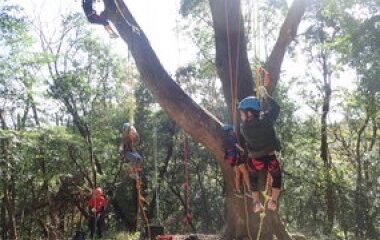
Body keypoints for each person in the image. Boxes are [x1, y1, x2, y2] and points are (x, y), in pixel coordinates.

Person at [238, 86, 282, 213]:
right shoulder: (267, 120)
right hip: (270, 157)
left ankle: (256, 202)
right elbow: (276, 108)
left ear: (249, 113)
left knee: (253, 178)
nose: (241, 116)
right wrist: (265, 95)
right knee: (277, 177)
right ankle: (273, 201)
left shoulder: (244, 128)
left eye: (242, 113)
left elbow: (257, 121)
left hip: (256, 160)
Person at [222, 124, 252, 197]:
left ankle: (238, 190)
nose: (233, 131)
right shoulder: (231, 138)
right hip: (236, 158)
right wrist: (242, 150)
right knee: (245, 172)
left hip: (231, 159)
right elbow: (236, 145)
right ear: (229, 131)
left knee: (237, 174)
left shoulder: (225, 139)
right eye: (232, 130)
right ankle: (249, 190)